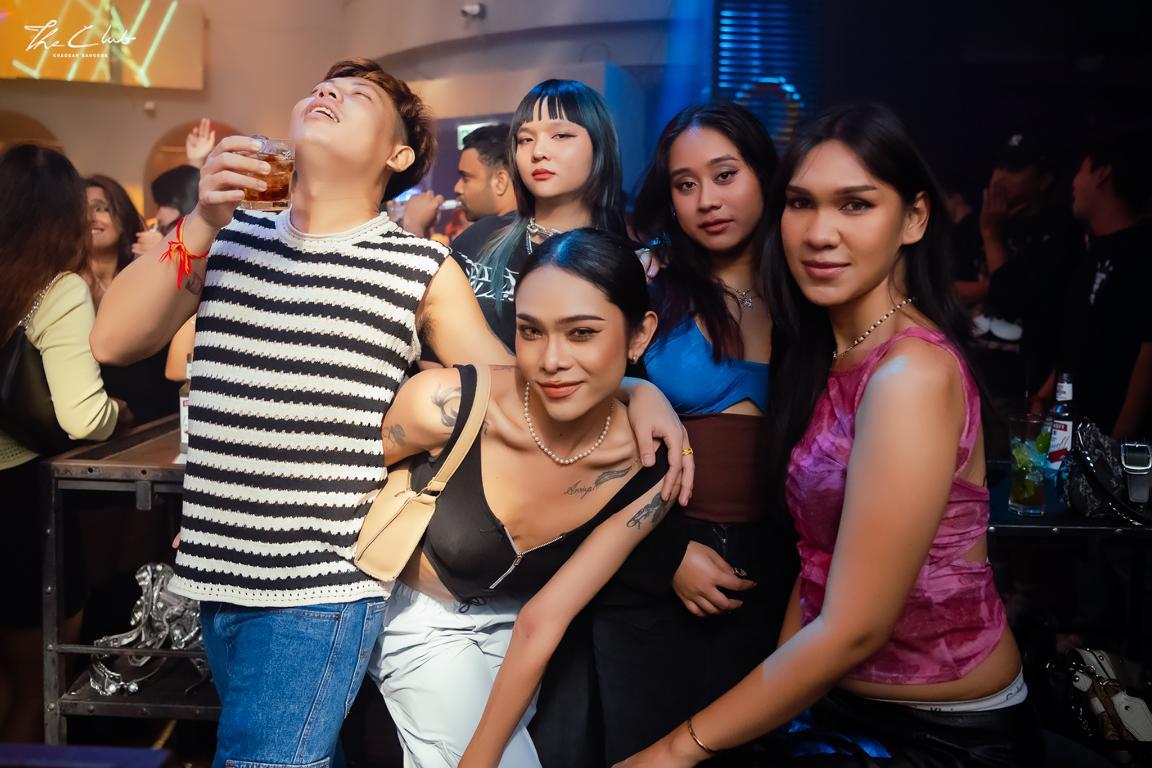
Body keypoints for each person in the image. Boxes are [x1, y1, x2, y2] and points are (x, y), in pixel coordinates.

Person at [90, 57, 690, 768]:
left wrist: (635, 390)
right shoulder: (230, 236)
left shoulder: (417, 267)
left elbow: (519, 382)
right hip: (216, 572)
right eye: (322, 87)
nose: (328, 92)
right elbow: (113, 340)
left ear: (397, 156)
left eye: (359, 95)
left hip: (320, 581)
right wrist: (200, 218)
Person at [619, 103, 1042, 767]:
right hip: (836, 704)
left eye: (855, 205)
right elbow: (817, 561)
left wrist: (674, 752)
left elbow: (854, 629)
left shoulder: (909, 373)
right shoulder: (830, 353)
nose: (820, 233)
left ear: (914, 218)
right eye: (802, 204)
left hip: (937, 732)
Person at [369, 228, 676, 768]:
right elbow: (335, 479)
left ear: (639, 334)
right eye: (531, 331)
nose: (552, 359)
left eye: (582, 333)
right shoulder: (444, 405)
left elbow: (545, 618)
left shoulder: (646, 470)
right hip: (417, 617)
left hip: (515, 629)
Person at [593, 102, 796, 765]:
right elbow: (579, 434)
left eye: (725, 174)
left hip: (778, 576)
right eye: (685, 184)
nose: (707, 200)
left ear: (764, 174)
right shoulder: (647, 286)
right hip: (651, 561)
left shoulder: (811, 295)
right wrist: (666, 554)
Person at [0, 145, 123, 742]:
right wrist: (117, 413)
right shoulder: (57, 289)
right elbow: (83, 417)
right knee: (38, 689)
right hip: (19, 501)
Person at [1030, 128, 1152, 440]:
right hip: (1073, 431)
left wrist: (1120, 438)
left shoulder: (1141, 251)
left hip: (1112, 440)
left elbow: (1147, 350)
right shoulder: (1092, 252)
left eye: (1081, 170)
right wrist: (1045, 394)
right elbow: (1077, 337)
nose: (1073, 183)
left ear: (1102, 174)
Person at [971, 133, 1081, 411]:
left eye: (1015, 168)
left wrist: (991, 236)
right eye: (999, 165)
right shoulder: (982, 220)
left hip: (1024, 390)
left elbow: (1009, 299)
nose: (1000, 176)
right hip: (974, 377)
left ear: (1044, 179)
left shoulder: (1060, 231)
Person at [85, 175, 178, 425]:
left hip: (153, 418)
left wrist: (163, 257)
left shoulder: (141, 273)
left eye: (101, 208)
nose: (90, 217)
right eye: (80, 210)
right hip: (94, 422)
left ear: (122, 216)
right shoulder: (64, 283)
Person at [400, 123, 516, 242]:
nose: (457, 188)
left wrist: (413, 225)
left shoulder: (480, 239)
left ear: (500, 182)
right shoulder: (518, 235)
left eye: (466, 178)